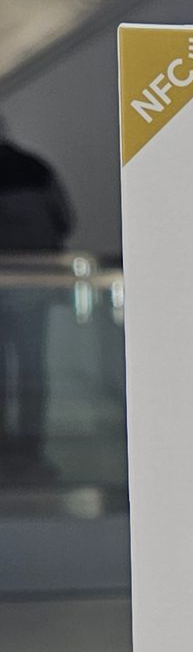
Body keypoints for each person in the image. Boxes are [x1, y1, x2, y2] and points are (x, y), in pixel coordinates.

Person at [0, 117, 73, 481]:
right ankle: (31, 448)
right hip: (35, 285)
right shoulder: (36, 168)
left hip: (10, 284)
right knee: (32, 368)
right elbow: (65, 220)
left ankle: (5, 449)